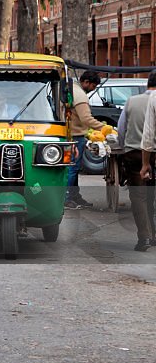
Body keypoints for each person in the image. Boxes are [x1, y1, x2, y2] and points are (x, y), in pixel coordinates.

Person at [115, 72, 156, 252]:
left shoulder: (132, 101)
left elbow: (121, 128)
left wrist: (126, 146)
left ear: (148, 83)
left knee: (139, 196)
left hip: (135, 154)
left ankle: (145, 237)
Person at [66, 71, 107, 210]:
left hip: (70, 133)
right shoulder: (80, 95)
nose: (93, 89)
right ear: (86, 82)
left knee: (74, 168)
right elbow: (86, 119)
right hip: (75, 135)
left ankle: (74, 196)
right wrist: (105, 128)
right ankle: (67, 198)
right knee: (72, 168)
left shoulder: (72, 89)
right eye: (93, 86)